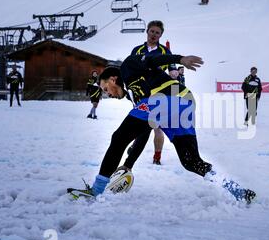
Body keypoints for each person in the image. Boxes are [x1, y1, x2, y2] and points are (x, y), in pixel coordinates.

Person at [67, 53, 256, 204]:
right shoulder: (135, 98)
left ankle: (96, 191)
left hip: (170, 97)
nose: (108, 94)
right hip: (183, 104)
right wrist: (129, 164)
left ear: (113, 78)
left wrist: (179, 59)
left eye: (105, 88)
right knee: (190, 161)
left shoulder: (127, 67)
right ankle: (237, 190)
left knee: (118, 137)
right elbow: (144, 130)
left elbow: (151, 59)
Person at [128, 20, 171, 165]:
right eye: (152, 31)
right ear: (147, 31)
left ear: (160, 35)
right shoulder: (137, 50)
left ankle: (157, 157)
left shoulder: (165, 51)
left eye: (157, 33)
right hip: (141, 94)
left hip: (158, 94)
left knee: (156, 127)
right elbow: (130, 69)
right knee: (138, 123)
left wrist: (175, 72)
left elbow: (173, 68)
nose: (154, 34)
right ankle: (135, 146)